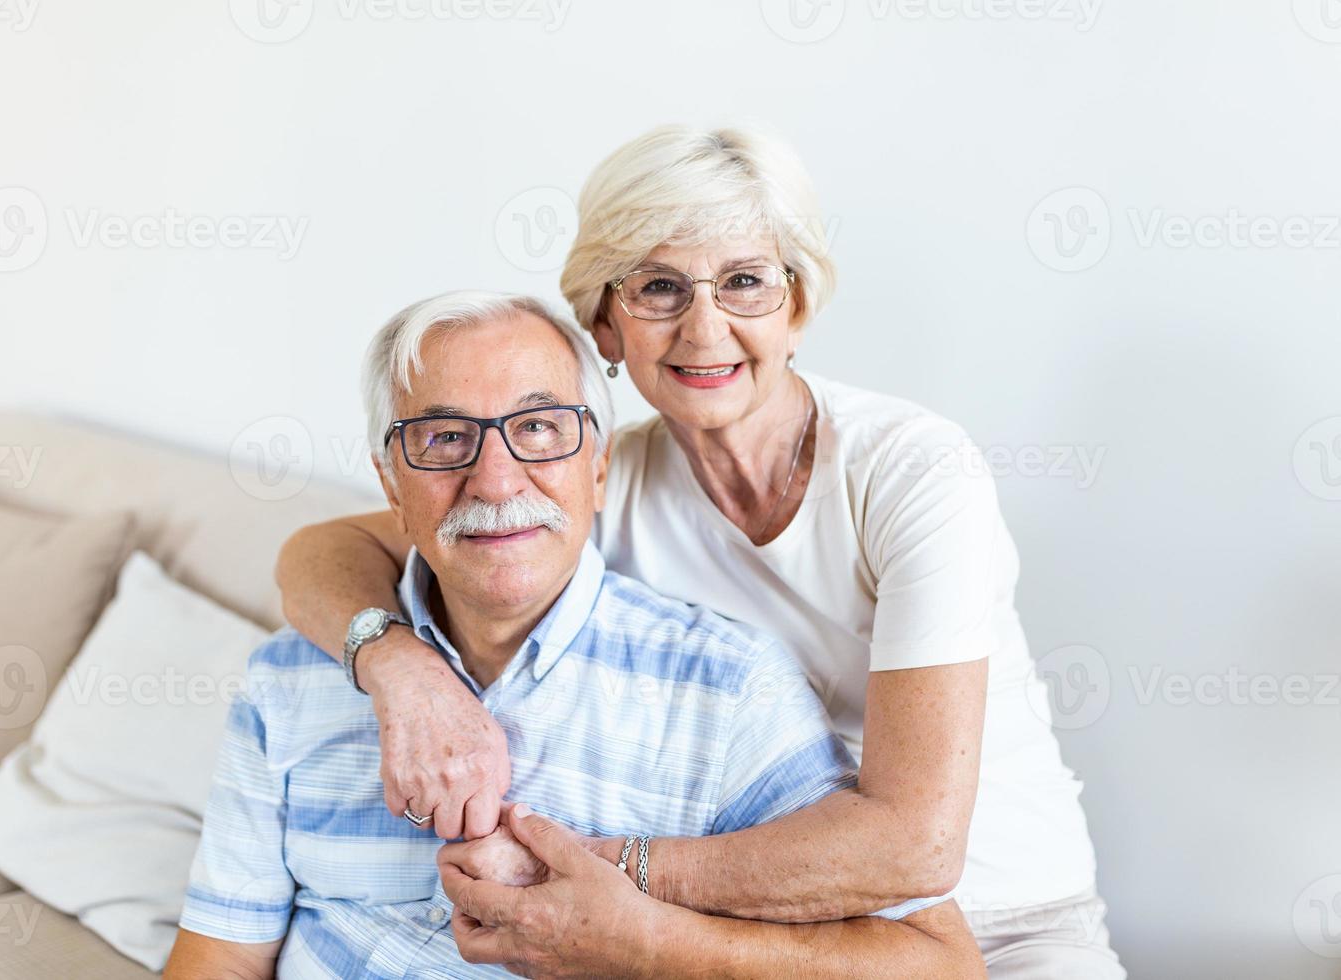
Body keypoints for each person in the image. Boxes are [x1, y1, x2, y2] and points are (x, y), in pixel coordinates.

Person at [275, 126, 1125, 977]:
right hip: (768, 928)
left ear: (797, 308)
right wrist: (402, 673)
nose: (704, 328)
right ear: (605, 325)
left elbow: (916, 849)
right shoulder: (595, 479)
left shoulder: (911, 470)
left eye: (746, 282)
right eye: (658, 288)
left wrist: (605, 879)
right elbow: (320, 553)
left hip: (1005, 924)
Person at [165, 291, 984, 979]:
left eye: (541, 428)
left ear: (599, 463)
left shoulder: (726, 690)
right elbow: (223, 957)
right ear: (389, 482)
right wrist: (398, 671)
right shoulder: (290, 675)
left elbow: (938, 966)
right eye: (445, 439)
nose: (494, 479)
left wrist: (645, 938)